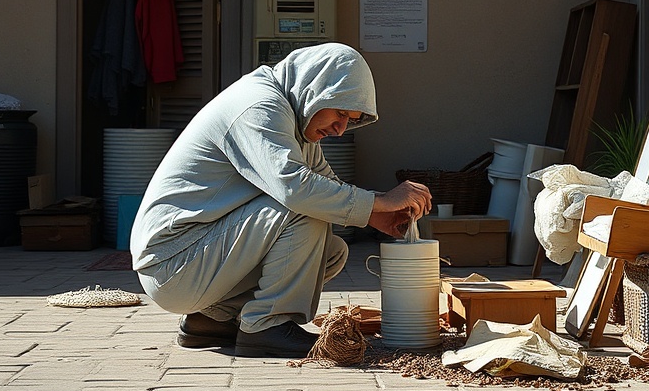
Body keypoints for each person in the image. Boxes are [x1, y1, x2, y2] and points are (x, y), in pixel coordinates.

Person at [130, 42, 432, 358]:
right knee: (306, 211)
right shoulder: (259, 106)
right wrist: (378, 201)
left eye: (350, 119)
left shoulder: (293, 116)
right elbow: (297, 191)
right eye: (340, 113)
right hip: (172, 264)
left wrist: (375, 215)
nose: (341, 129)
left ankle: (212, 319)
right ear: (317, 88)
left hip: (191, 262)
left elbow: (324, 183)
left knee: (329, 253)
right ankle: (267, 327)